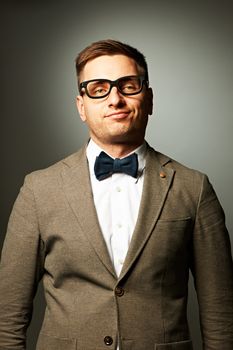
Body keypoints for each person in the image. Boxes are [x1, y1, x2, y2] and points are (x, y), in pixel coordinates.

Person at [0, 39, 232, 350]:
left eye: (129, 85)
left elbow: (220, 312)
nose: (115, 99)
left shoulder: (194, 188)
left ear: (148, 100)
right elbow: (8, 315)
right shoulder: (38, 189)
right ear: (81, 106)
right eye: (98, 88)